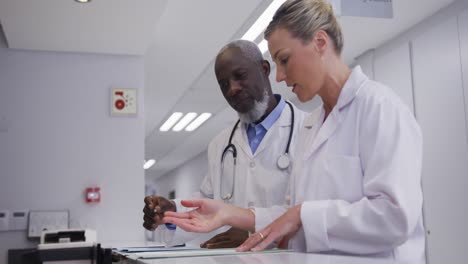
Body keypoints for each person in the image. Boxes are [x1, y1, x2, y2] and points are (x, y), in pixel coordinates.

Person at [162, 0, 425, 263]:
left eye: (284, 60)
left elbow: (395, 217)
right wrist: (229, 214)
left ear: (320, 43)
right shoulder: (312, 125)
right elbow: (290, 214)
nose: (279, 77)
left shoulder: (380, 108)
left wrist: (302, 214)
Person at [143, 39, 306, 248]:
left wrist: (253, 229)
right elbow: (207, 201)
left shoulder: (307, 129)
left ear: (264, 69)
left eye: (240, 76)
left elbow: (309, 211)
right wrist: (172, 211)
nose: (232, 89)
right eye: (224, 84)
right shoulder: (220, 145)